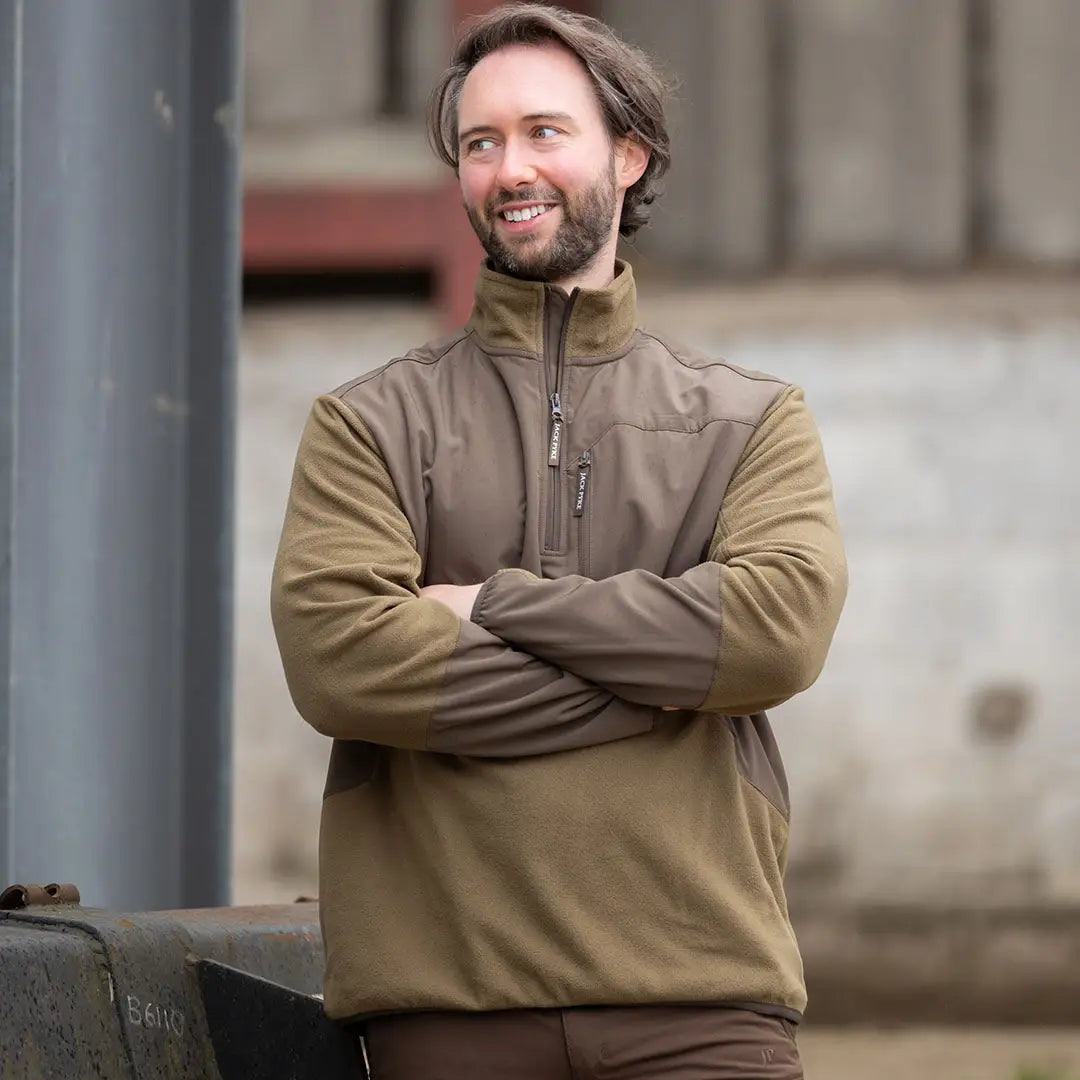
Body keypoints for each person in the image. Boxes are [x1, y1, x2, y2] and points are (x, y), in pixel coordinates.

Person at [271, 4, 847, 1077]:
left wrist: (489, 605)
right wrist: (665, 675)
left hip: (703, 1004)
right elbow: (338, 659)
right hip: (447, 1005)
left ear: (628, 155)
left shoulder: (748, 419)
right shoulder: (369, 423)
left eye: (544, 131)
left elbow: (773, 637)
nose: (508, 168)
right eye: (480, 143)